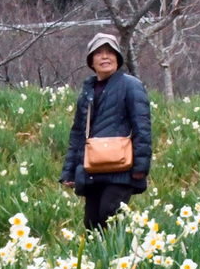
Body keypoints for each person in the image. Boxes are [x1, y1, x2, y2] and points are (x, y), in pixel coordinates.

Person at [60, 33, 153, 231]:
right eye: (99, 53)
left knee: (110, 214)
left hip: (121, 167)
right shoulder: (87, 90)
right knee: (92, 223)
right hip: (93, 167)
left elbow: (142, 126)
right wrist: (69, 171)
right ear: (91, 61)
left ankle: (119, 259)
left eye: (110, 53)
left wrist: (141, 166)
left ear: (118, 59)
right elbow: (78, 132)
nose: (105, 57)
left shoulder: (131, 85)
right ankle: (98, 260)